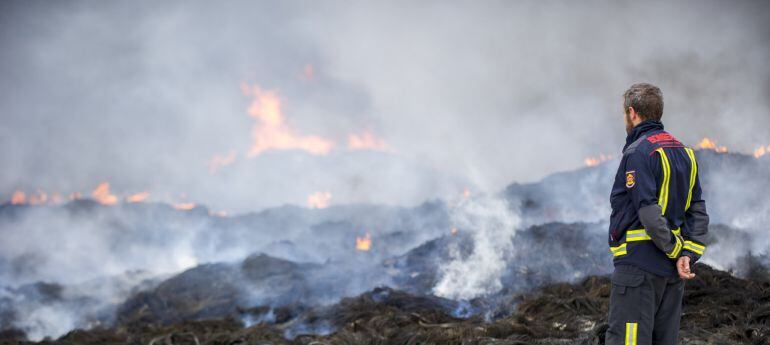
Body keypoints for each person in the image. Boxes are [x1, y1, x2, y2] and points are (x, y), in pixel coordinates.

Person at [605, 83, 709, 345]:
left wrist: (675, 250)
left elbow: (649, 212)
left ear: (632, 113)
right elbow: (697, 207)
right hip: (671, 276)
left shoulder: (638, 152)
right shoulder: (685, 153)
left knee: (627, 341)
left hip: (638, 270)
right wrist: (689, 253)